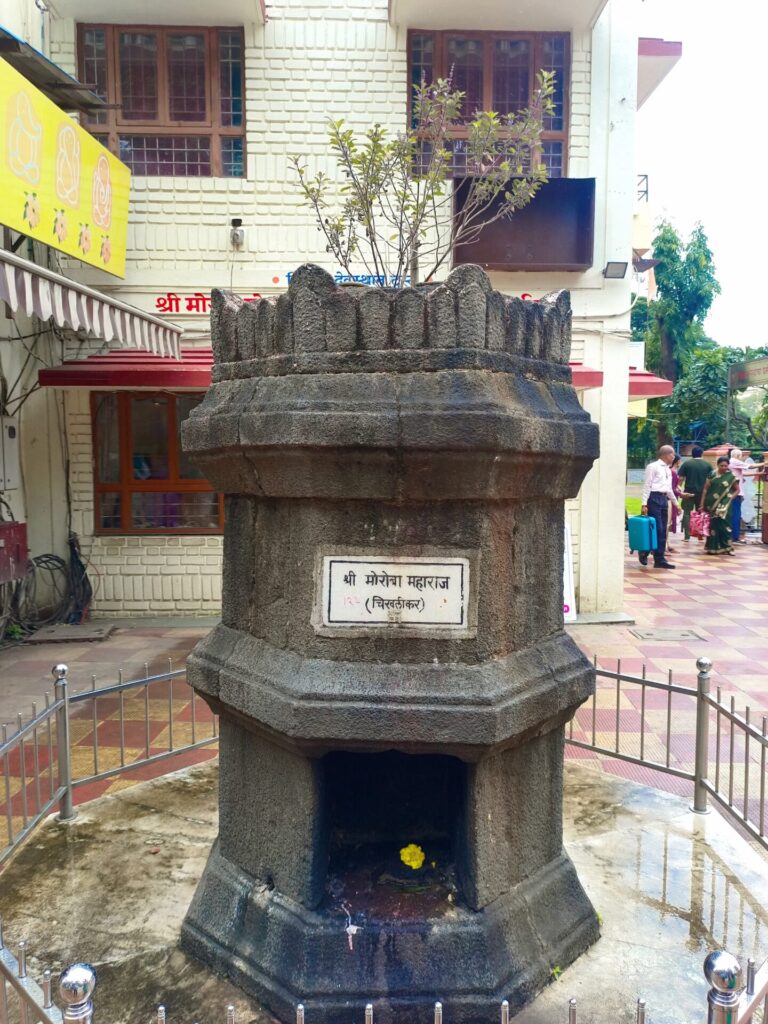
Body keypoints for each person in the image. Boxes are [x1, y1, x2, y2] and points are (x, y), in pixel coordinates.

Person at [640, 444, 681, 569]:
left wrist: (676, 504)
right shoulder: (653, 467)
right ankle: (644, 551)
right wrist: (644, 503)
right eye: (672, 454)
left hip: (663, 499)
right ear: (666, 455)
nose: (674, 456)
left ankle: (659, 559)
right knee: (655, 529)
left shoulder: (668, 469)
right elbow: (647, 485)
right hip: (654, 498)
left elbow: (669, 489)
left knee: (663, 530)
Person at [701, 456, 739, 555]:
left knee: (725, 526)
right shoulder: (712, 474)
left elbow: (737, 490)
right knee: (713, 526)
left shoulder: (731, 476)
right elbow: (705, 489)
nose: (723, 467)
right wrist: (702, 504)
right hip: (711, 504)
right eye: (721, 465)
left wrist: (730, 498)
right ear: (717, 465)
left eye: (726, 466)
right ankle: (712, 548)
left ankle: (728, 548)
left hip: (725, 506)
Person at [678, 445, 714, 541]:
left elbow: (680, 479)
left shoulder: (687, 464)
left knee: (687, 514)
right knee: (701, 514)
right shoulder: (707, 465)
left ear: (692, 454)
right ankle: (700, 535)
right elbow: (711, 480)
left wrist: (679, 491)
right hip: (702, 494)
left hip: (688, 493)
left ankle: (686, 536)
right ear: (701, 454)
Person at [727, 448, 747, 544]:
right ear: (738, 455)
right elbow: (750, 466)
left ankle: (733, 535)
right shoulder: (734, 461)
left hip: (734, 492)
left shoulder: (731, 462)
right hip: (737, 492)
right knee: (736, 514)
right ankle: (735, 536)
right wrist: (764, 464)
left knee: (734, 513)